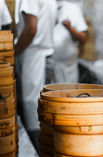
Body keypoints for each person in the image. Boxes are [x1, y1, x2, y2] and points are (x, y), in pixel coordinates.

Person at [14, 0, 57, 137]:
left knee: (33, 112)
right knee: (44, 114)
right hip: (46, 55)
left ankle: (39, 154)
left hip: (35, 58)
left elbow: (31, 29)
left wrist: (13, 52)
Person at [51, 1, 88, 83]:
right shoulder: (45, 6)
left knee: (70, 94)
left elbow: (84, 38)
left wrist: (70, 28)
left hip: (68, 68)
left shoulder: (73, 9)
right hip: (49, 67)